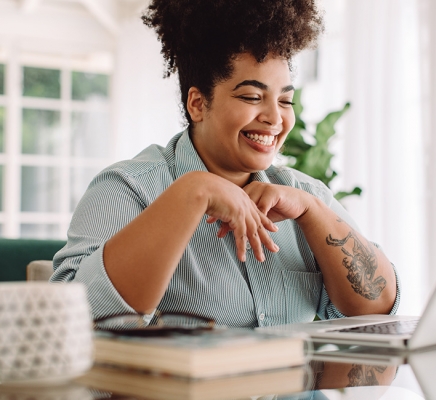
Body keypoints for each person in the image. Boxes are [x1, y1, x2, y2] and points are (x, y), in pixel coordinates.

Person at [51, 0, 400, 327]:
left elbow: (378, 310)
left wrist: (312, 211)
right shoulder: (128, 188)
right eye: (252, 97)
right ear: (198, 103)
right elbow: (74, 322)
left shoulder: (303, 195)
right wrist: (192, 192)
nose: (274, 118)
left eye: (285, 100)